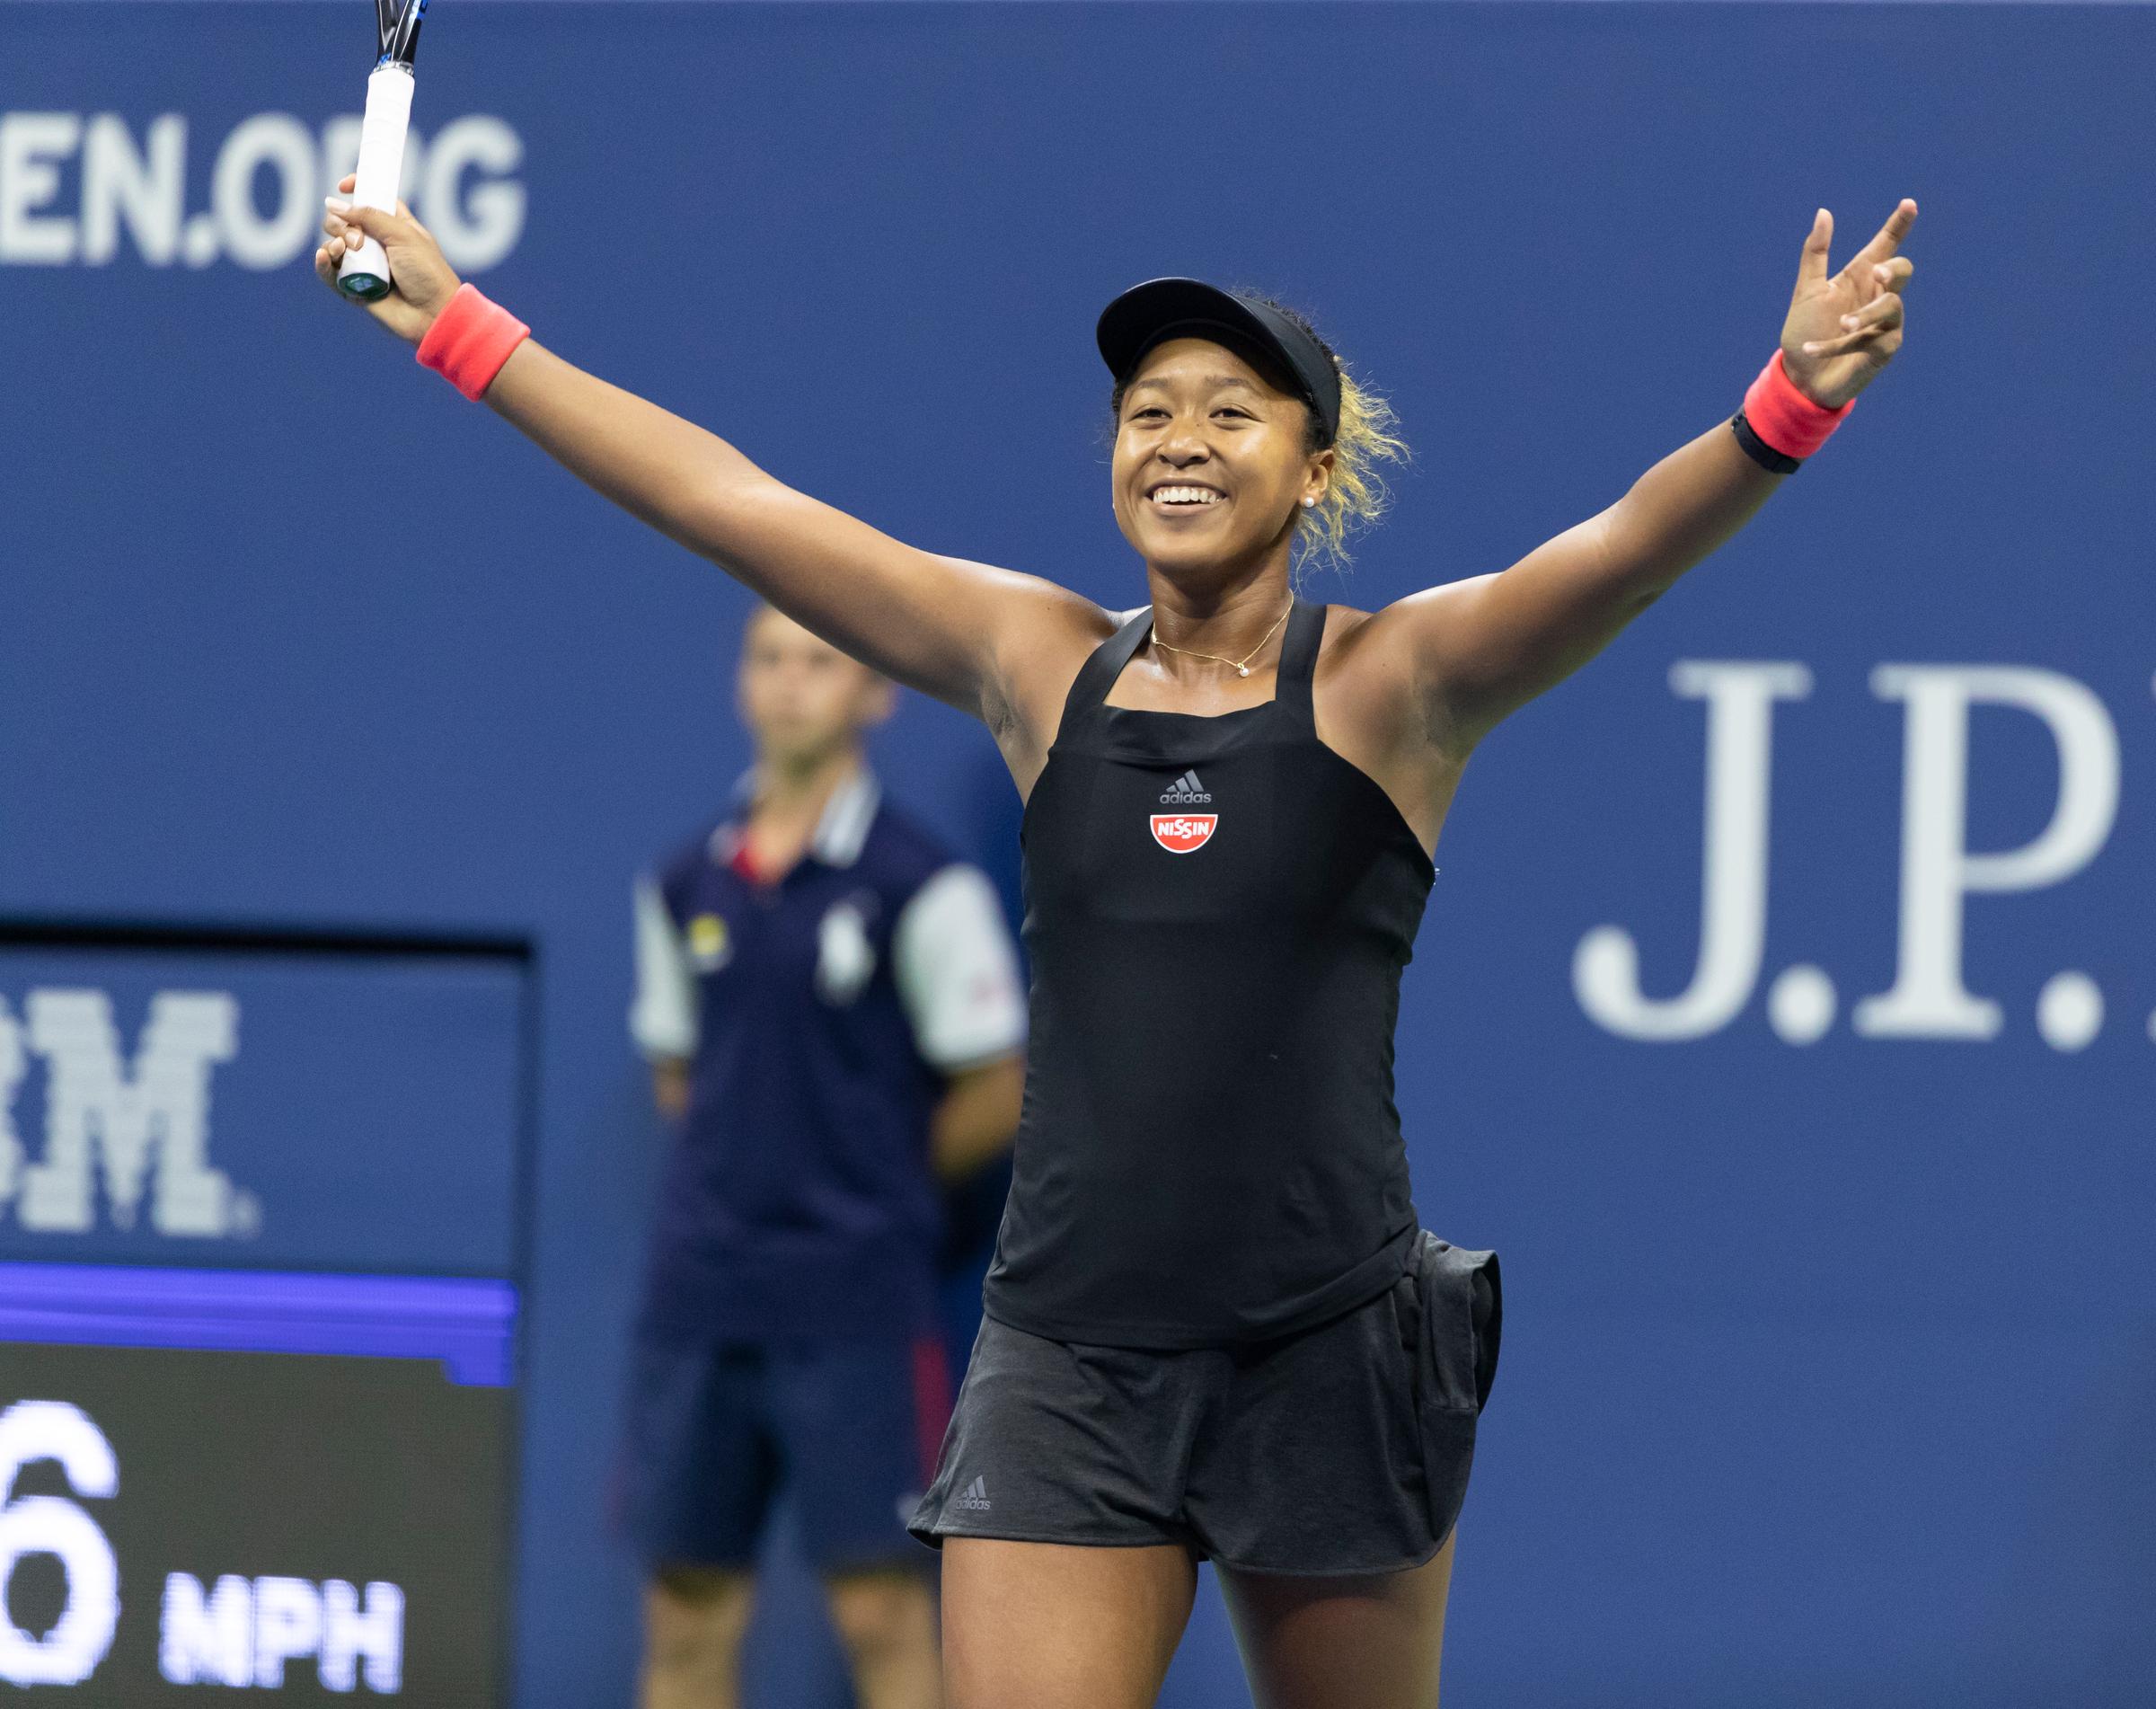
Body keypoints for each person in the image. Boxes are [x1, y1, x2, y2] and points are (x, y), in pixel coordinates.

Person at [316, 184, 1917, 1708]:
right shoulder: (1035, 664)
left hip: (1333, 1345)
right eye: (1149, 408)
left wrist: (1789, 401)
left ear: (1314, 465)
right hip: (1067, 1360)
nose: (1180, 438)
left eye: (1232, 408)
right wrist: (463, 326)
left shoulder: (1395, 682)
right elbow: (731, 502)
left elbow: (1624, 550)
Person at [619, 604, 1028, 1709]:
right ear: (743, 684)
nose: (792, 683)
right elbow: (678, 1078)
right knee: (685, 1612)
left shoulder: (921, 885)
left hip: (858, 1302)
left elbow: (997, 1087)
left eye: (820, 662)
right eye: (769, 660)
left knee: (881, 1611)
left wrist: (875, 1186)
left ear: (876, 695)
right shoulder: (680, 883)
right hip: (702, 1300)